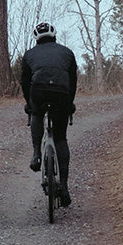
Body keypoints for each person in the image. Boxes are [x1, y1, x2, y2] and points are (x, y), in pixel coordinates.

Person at [20, 20, 77, 207]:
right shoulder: (67, 52)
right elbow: (72, 82)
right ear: (54, 36)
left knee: (37, 114)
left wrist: (30, 104)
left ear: (36, 39)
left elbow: (25, 82)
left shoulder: (29, 55)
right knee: (60, 139)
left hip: (38, 92)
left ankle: (36, 153)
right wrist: (69, 104)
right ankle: (65, 187)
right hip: (62, 94)